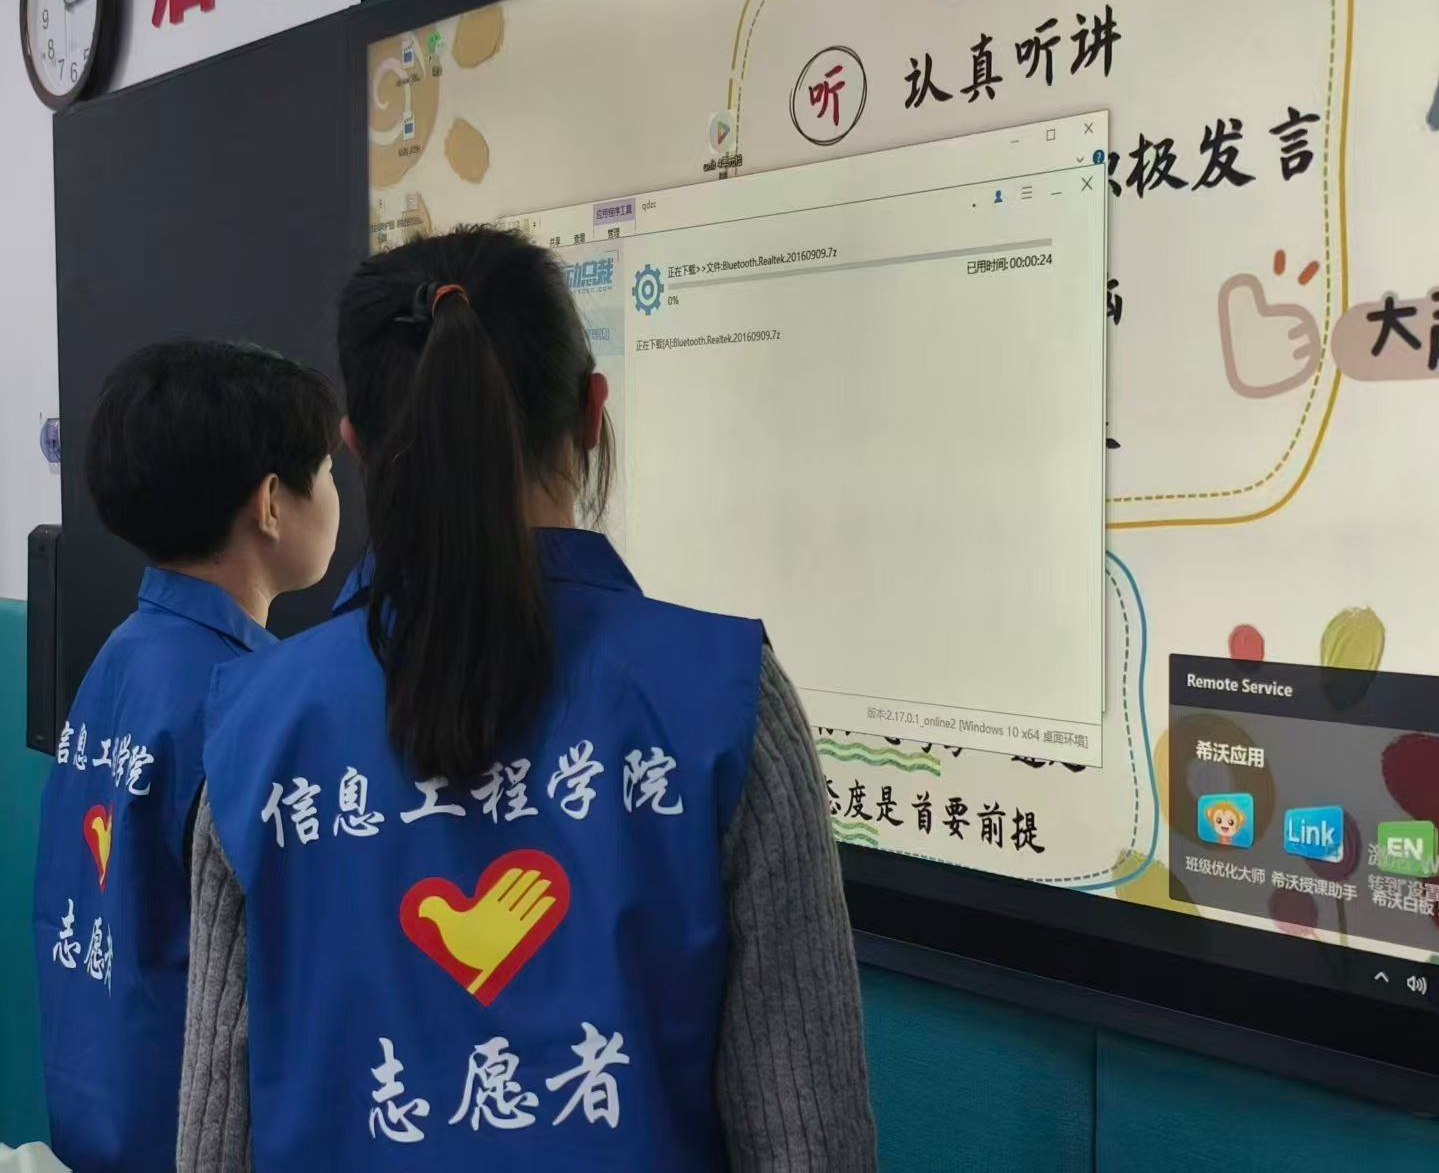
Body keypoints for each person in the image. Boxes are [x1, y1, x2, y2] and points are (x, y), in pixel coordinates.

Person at [179, 228, 875, 1171]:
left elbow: (215, 1142)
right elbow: (810, 1146)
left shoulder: (254, 729)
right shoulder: (729, 700)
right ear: (591, 413)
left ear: (357, 449)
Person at [33, 341, 340, 1173]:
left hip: (95, 1125)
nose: (336, 491)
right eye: (325, 471)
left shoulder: (117, 659)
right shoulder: (249, 701)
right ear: (271, 503)